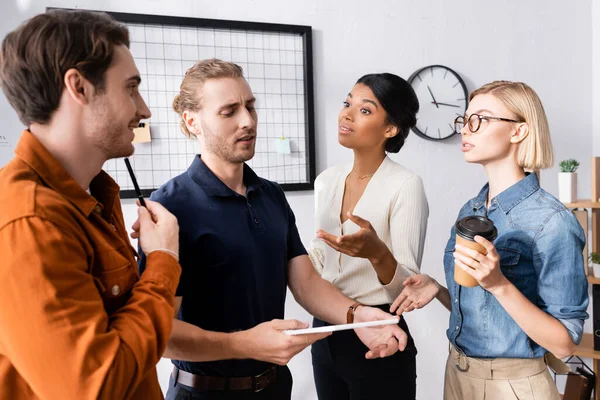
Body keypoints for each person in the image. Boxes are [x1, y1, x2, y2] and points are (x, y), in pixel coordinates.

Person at [138, 59, 407, 400]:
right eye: (229, 111)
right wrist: (243, 344)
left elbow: (306, 284)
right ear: (192, 121)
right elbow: (159, 336)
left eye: (250, 106)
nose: (248, 121)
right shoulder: (170, 207)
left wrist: (360, 316)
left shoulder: (271, 195)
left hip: (275, 388)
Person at [0, 10, 182, 399]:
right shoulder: (30, 220)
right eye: (131, 87)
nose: (144, 109)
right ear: (79, 87)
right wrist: (164, 260)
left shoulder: (91, 196)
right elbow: (93, 386)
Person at [391, 80, 589, 400]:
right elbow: (484, 310)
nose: (466, 130)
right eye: (465, 119)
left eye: (480, 119)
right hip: (456, 374)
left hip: (514, 387)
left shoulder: (552, 222)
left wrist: (498, 283)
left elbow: (564, 342)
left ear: (518, 131)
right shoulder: (472, 209)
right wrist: (438, 289)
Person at [308, 73, 428, 400]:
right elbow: (320, 258)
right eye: (347, 103)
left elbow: (409, 285)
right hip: (327, 326)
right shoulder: (326, 181)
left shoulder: (405, 185)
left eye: (364, 110)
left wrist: (378, 254)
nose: (346, 114)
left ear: (390, 129)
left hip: (381, 332)